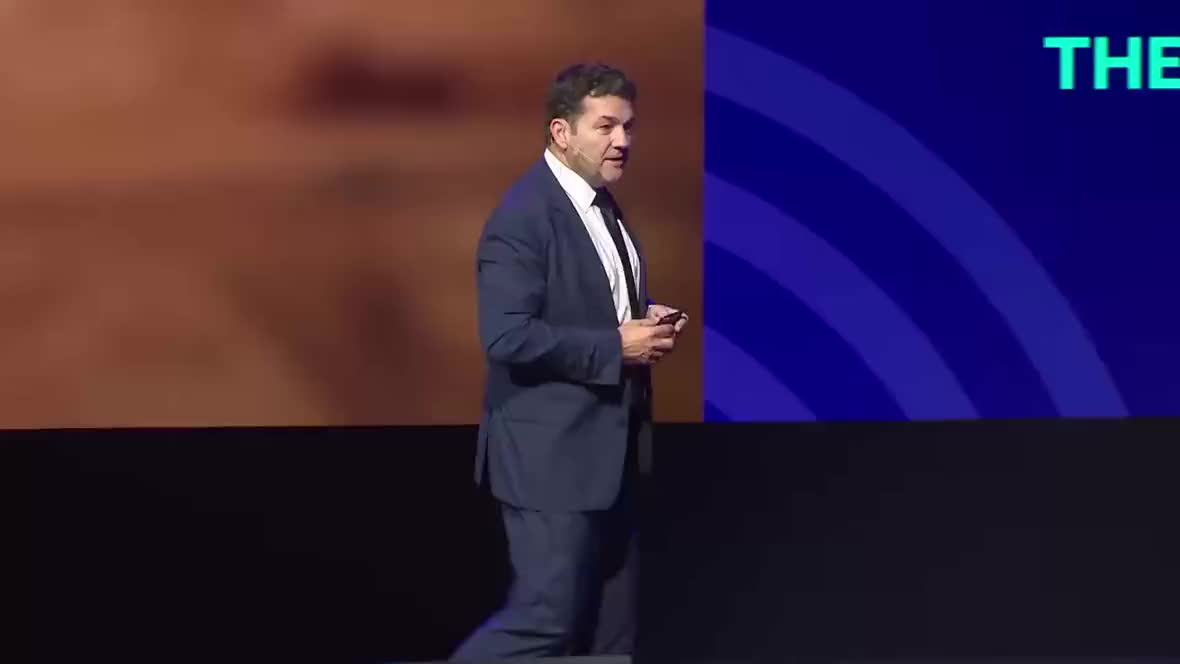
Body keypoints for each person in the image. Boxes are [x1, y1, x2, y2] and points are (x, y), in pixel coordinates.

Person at [450, 62, 689, 660]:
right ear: (562, 132)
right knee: (545, 624)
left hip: (611, 458)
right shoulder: (524, 218)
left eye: (629, 127)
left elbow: (588, 302)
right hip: (551, 462)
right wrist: (617, 344)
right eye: (606, 126)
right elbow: (506, 337)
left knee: (611, 640)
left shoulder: (600, 205)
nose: (623, 141)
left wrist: (644, 318)